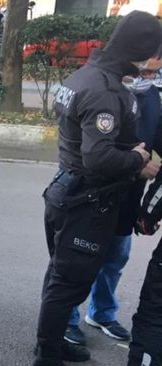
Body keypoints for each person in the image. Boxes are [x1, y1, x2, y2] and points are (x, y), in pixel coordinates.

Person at [30, 11, 162, 366]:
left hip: (68, 192)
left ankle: (51, 345)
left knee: (60, 278)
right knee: (67, 285)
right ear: (141, 50)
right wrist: (140, 160)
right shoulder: (106, 89)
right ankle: (47, 363)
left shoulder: (85, 74)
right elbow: (98, 158)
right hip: (86, 200)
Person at [65, 61, 162, 347]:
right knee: (76, 260)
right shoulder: (103, 90)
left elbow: (156, 138)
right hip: (93, 192)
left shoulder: (153, 98)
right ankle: (66, 319)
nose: (149, 75)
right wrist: (136, 166)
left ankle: (101, 312)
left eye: (152, 73)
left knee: (116, 258)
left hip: (128, 195)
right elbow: (94, 154)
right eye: (143, 71)